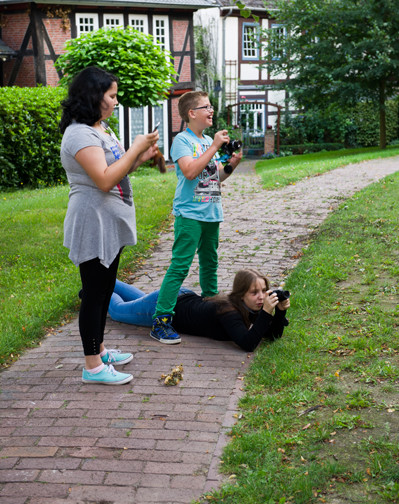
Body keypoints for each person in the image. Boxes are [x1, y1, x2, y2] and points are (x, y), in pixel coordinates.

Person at [60, 66, 159, 386]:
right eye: (112, 96)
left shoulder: (99, 128)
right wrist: (135, 147)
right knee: (93, 293)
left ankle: (100, 351)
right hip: (92, 222)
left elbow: (115, 168)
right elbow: (103, 179)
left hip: (109, 222)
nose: (116, 102)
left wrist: (141, 157)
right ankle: (92, 366)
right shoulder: (79, 134)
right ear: (94, 96)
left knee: (105, 291)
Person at [150, 90, 243, 344]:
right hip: (189, 214)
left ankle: (212, 310)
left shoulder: (206, 143)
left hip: (212, 213)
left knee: (210, 264)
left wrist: (231, 164)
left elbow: (215, 177)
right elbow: (190, 171)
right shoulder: (183, 140)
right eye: (206, 107)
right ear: (192, 113)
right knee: (180, 266)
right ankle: (161, 320)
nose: (211, 110)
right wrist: (214, 146)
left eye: (211, 106)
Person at [110, 269, 290, 352]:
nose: (261, 297)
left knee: (138, 300)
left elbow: (271, 335)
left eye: (263, 291)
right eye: (254, 292)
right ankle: (93, 291)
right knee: (118, 311)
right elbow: (248, 344)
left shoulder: (246, 307)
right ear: (241, 294)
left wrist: (280, 312)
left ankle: (104, 282)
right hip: (169, 307)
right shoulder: (230, 312)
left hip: (176, 297)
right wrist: (266, 312)